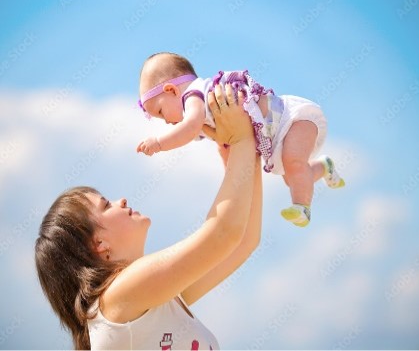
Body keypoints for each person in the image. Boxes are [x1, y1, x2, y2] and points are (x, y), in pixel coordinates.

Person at [35, 85, 262, 350]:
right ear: (99, 245)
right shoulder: (120, 295)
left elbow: (243, 240)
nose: (121, 201)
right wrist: (242, 139)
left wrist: (242, 154)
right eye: (106, 205)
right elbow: (224, 234)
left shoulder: (146, 301)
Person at [137, 52, 345, 227]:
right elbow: (224, 144)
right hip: (279, 135)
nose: (165, 122)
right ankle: (324, 166)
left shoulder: (194, 95)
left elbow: (188, 128)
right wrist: (234, 177)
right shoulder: (204, 117)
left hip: (292, 120)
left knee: (293, 163)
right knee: (293, 176)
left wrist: (159, 142)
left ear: (171, 90)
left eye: (161, 112)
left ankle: (302, 207)